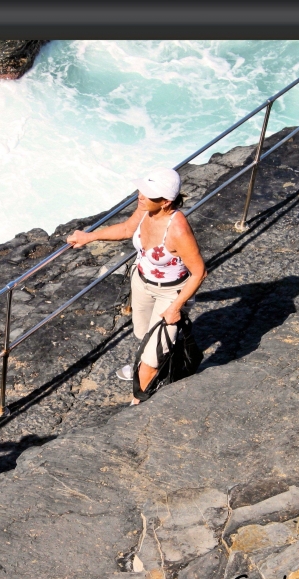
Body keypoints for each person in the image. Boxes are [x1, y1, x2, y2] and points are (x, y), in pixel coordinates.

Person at [66, 167, 206, 405]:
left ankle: (137, 402)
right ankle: (144, 366)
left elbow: (199, 272)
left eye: (147, 193)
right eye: (142, 190)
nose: (140, 196)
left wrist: (176, 307)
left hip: (170, 292)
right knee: (142, 334)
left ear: (165, 202)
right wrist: (88, 237)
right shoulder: (145, 209)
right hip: (141, 282)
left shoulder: (178, 230)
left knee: (152, 357)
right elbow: (127, 230)